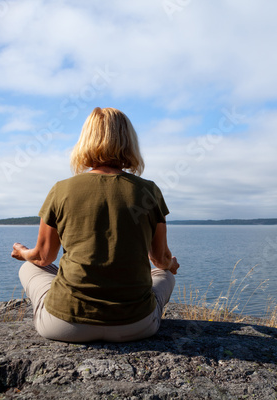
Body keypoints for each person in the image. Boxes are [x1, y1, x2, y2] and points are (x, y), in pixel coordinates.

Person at [12, 107, 179, 343]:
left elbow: (43, 258)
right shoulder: (149, 191)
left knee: (28, 267)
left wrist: (22, 252)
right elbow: (160, 260)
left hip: (65, 325)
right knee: (165, 274)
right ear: (129, 141)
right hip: (136, 326)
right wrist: (171, 264)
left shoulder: (61, 189)